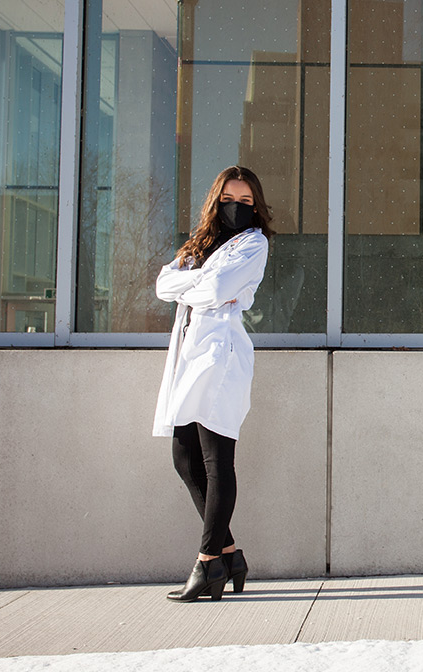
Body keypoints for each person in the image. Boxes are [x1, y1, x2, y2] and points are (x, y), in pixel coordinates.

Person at [153, 165, 273, 602]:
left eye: (245, 202)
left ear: (255, 205)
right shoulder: (198, 244)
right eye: (229, 199)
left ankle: (208, 563)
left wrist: (201, 285)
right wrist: (201, 284)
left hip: (221, 356)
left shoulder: (253, 244)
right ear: (215, 201)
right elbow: (164, 283)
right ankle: (228, 552)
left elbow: (218, 286)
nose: (236, 208)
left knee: (217, 458)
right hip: (189, 355)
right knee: (184, 456)